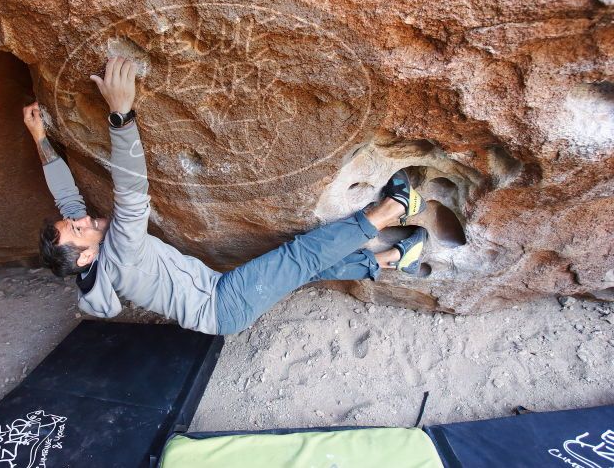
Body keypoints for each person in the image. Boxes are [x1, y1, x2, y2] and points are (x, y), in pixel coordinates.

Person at [23, 56, 428, 335]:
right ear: (87, 255)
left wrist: (41, 139)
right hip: (224, 303)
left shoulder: (90, 264)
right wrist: (121, 113)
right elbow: (131, 192)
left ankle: (393, 258)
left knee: (300, 271)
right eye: (80, 228)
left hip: (218, 294)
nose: (83, 217)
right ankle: (394, 208)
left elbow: (68, 202)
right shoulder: (120, 254)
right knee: (300, 256)